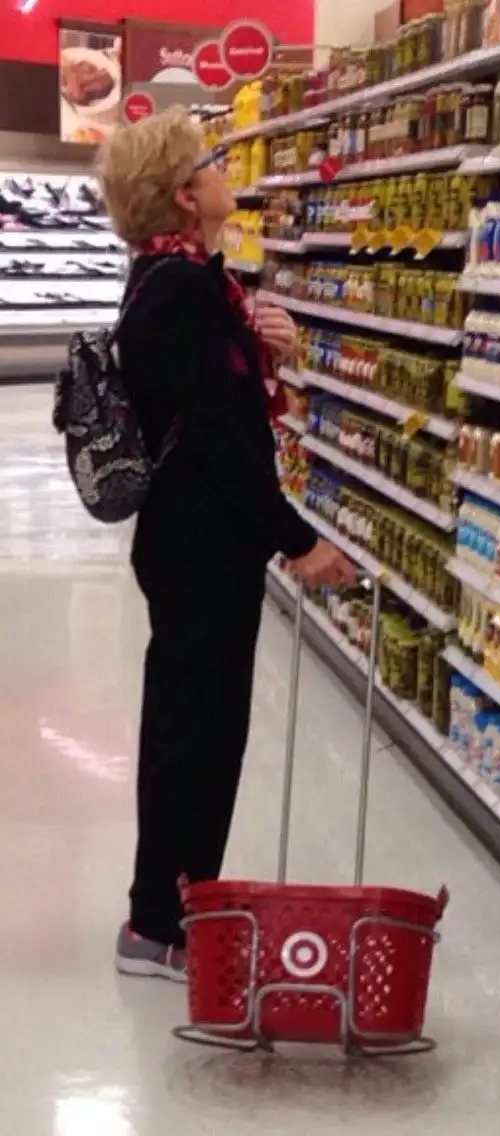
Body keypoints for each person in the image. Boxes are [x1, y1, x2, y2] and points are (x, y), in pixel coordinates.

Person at [99, 106, 356, 981]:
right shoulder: (181, 289)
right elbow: (219, 437)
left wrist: (261, 348)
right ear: (183, 193)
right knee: (197, 737)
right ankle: (163, 926)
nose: (223, 168)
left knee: (195, 728)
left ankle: (172, 909)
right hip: (200, 541)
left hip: (193, 539)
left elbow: (215, 401)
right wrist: (297, 540)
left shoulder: (181, 280)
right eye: (211, 160)